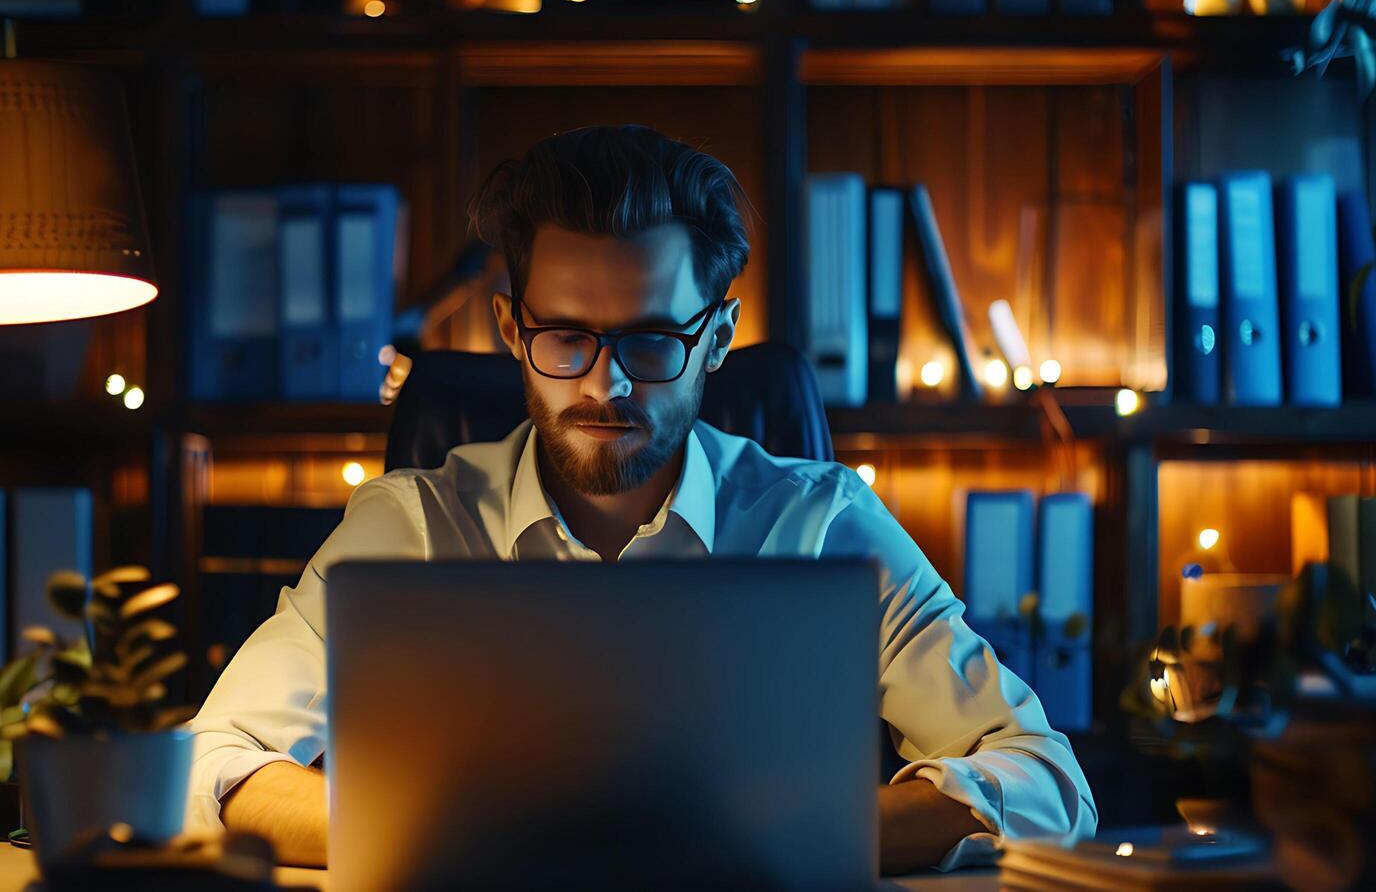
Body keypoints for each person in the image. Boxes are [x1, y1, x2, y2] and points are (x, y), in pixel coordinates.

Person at [187, 125, 1097, 874]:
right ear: (511, 327)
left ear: (718, 338)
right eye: (566, 337)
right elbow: (208, 764)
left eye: (653, 338)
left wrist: (791, 837)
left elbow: (1048, 783)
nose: (605, 386)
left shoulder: (822, 523)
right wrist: (451, 833)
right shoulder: (408, 525)